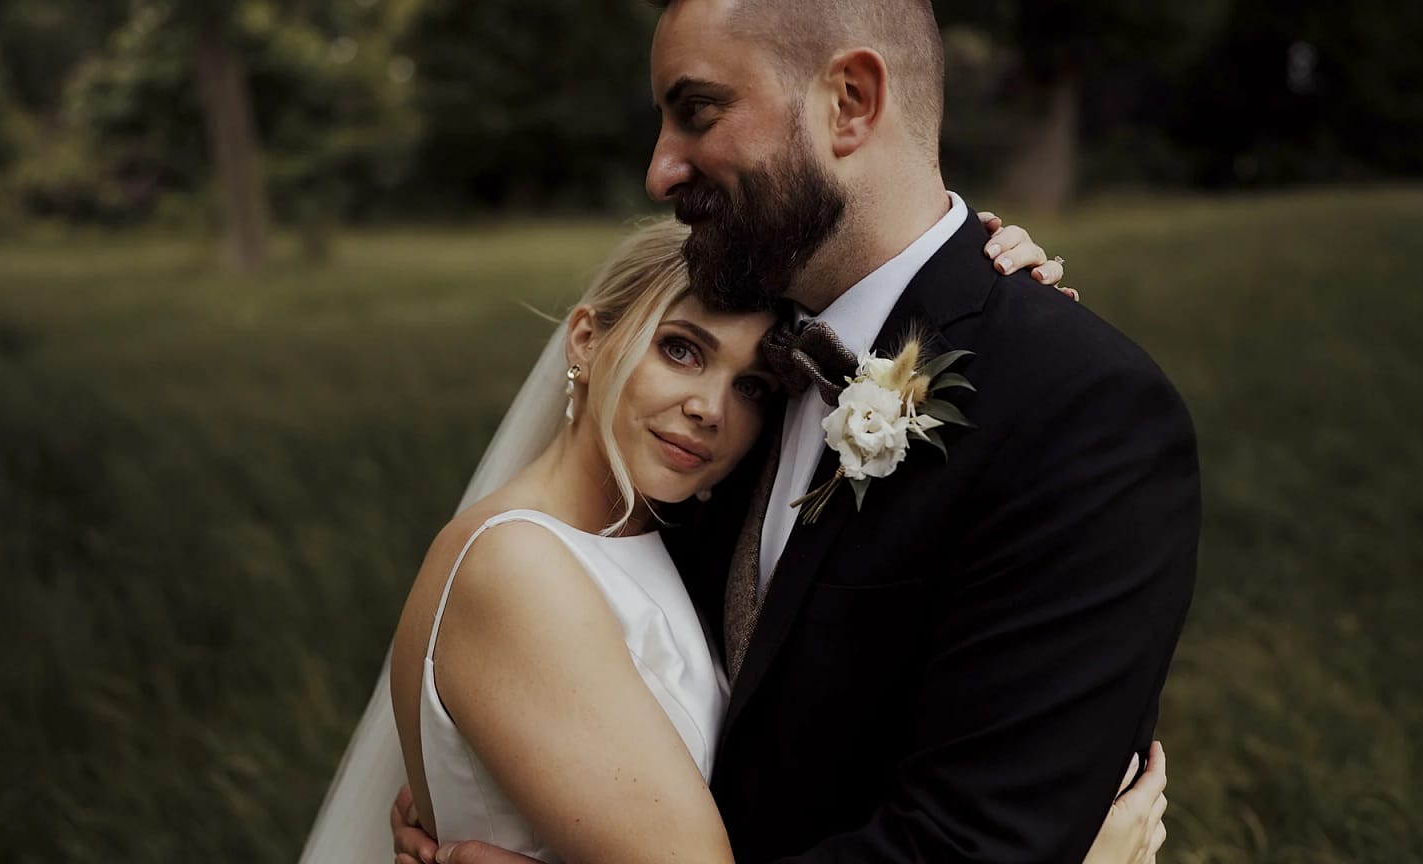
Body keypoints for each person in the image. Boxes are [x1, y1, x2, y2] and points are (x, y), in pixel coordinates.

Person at [388, 0, 1200, 861]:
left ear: (849, 101)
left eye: (698, 110)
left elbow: (983, 841)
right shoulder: (733, 398)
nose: (660, 169)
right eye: (680, 352)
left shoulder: (1079, 409)